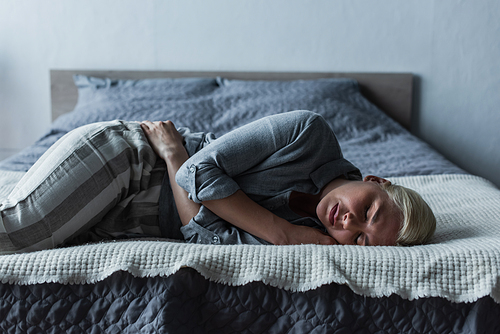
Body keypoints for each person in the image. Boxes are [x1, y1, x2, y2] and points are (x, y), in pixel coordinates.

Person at [0, 111, 435, 254]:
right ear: (376, 180)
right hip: (130, 160)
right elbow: (197, 172)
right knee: (17, 236)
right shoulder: (309, 133)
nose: (348, 222)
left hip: (125, 215)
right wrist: (280, 232)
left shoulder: (316, 245)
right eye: (370, 210)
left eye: (359, 240)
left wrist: (179, 159)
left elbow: (205, 242)